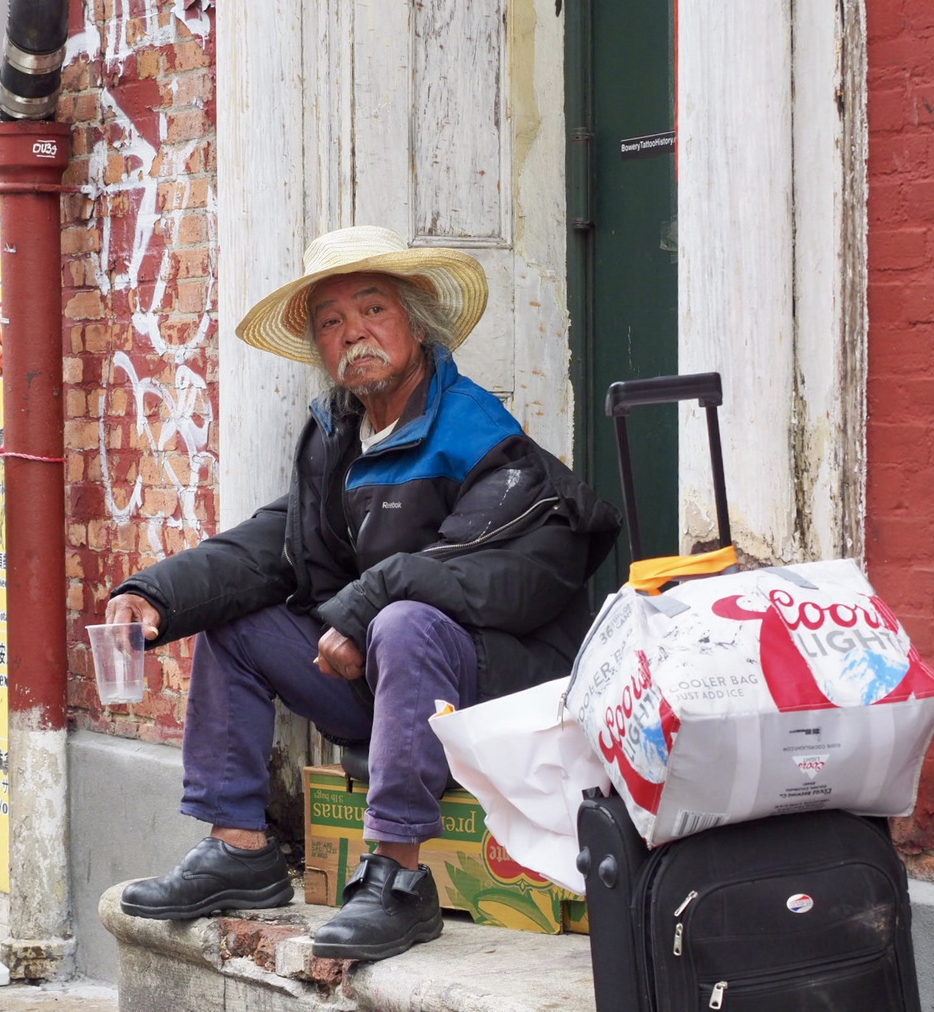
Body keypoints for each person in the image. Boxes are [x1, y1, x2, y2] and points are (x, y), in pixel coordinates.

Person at [108, 226, 620, 961]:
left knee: (405, 622)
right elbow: (278, 542)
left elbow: (499, 577)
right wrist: (156, 595)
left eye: (373, 310)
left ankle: (397, 879)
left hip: (496, 695)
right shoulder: (336, 436)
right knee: (239, 623)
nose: (355, 334)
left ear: (415, 324)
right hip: (386, 691)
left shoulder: (481, 432)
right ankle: (240, 849)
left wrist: (361, 607)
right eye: (331, 322)